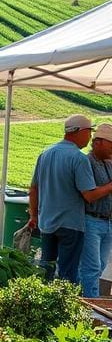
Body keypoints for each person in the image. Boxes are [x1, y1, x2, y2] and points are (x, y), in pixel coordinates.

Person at [29, 115, 112, 283]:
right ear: (79, 131)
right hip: (71, 224)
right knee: (68, 274)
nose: (90, 138)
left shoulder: (45, 153)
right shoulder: (79, 158)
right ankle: (63, 306)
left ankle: (43, 302)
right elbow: (89, 195)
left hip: (47, 223)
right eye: (89, 132)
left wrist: (33, 215)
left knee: (47, 268)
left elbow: (33, 188)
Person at [79, 123, 112, 296]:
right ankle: (92, 304)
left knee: (100, 266)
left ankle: (85, 297)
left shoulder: (108, 162)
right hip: (91, 219)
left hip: (107, 221)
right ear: (97, 142)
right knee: (91, 266)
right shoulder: (87, 162)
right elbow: (89, 195)